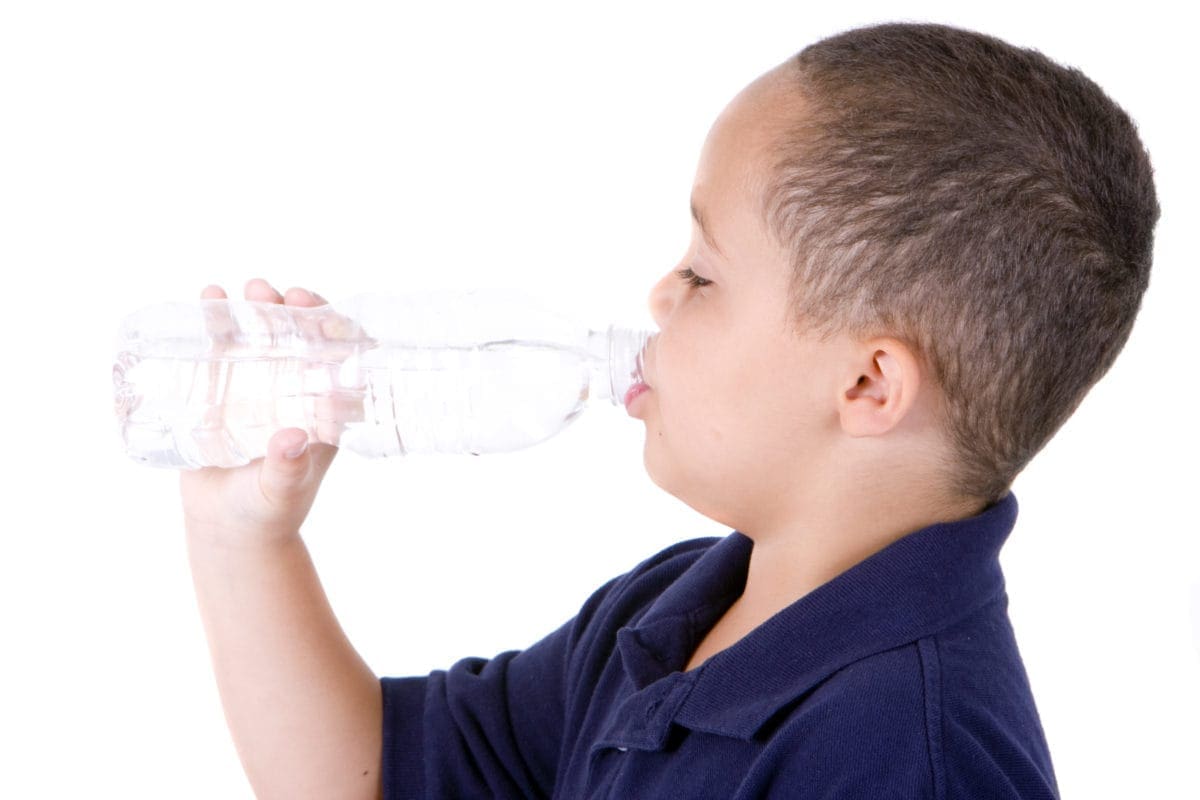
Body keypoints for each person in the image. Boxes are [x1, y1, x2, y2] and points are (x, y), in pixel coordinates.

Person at [180, 21, 1159, 799]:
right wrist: (244, 538)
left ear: (867, 385)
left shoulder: (909, 758)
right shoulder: (674, 611)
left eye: (702, 273)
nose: (658, 294)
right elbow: (378, 775)